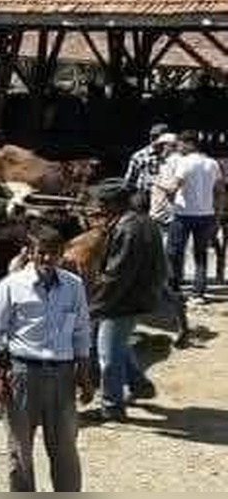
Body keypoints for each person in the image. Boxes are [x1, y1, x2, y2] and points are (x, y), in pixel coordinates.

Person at [0, 224, 93, 493]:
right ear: (30, 253)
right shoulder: (11, 286)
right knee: (20, 450)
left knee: (65, 449)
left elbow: (81, 332)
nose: (47, 258)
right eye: (41, 252)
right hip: (22, 376)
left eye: (53, 253)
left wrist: (84, 375)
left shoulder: (74, 286)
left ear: (62, 254)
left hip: (62, 377)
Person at [85, 180, 166, 424]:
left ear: (113, 204)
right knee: (117, 344)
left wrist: (94, 306)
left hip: (124, 301)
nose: (98, 207)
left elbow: (117, 276)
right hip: (139, 296)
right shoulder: (143, 221)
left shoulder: (128, 229)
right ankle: (139, 384)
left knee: (107, 355)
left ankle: (112, 406)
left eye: (101, 202)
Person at [164, 131, 223, 305]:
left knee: (174, 252)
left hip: (183, 214)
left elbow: (174, 187)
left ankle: (174, 289)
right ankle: (198, 293)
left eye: (180, 144)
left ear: (189, 144)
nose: (178, 147)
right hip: (206, 214)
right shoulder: (212, 163)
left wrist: (162, 188)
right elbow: (219, 191)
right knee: (201, 254)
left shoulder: (184, 163)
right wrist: (217, 214)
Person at [150, 135, 193, 347]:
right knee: (161, 269)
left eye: (161, 145)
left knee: (162, 270)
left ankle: (180, 322)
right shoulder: (166, 162)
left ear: (170, 146)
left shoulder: (177, 162)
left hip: (168, 220)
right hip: (160, 218)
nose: (158, 149)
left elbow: (173, 188)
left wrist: (155, 181)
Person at [124, 124, 171, 211]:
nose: (153, 139)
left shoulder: (174, 156)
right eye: (152, 136)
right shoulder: (140, 155)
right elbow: (129, 180)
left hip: (164, 197)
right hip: (143, 196)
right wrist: (130, 196)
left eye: (157, 136)